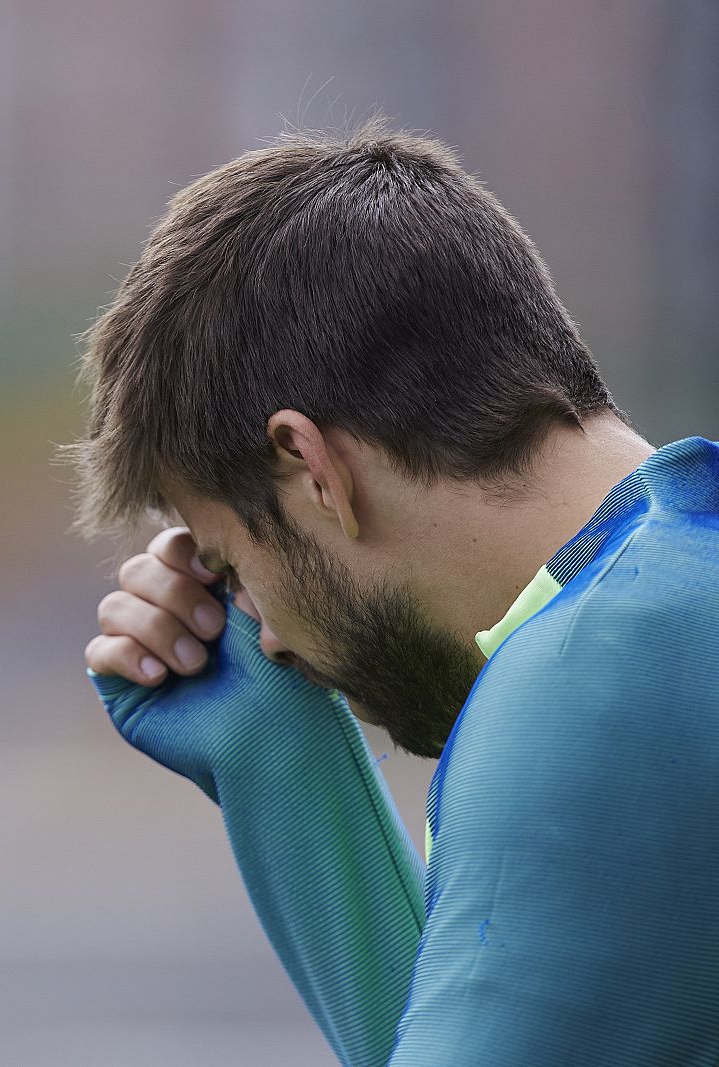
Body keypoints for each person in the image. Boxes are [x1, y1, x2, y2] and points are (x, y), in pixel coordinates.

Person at [61, 119, 719, 1065]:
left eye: (233, 563)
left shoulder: (592, 679)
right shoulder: (666, 604)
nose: (270, 639)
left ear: (310, 464)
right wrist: (274, 759)